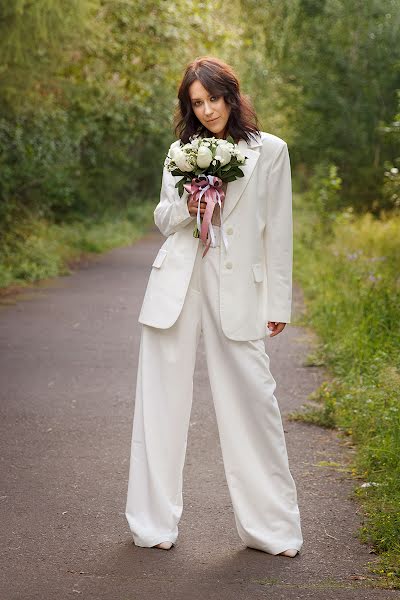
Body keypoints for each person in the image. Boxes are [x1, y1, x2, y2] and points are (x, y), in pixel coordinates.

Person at [125, 56, 303, 557]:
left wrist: (278, 302)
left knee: (253, 403)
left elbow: (279, 232)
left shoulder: (271, 152)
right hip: (177, 285)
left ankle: (270, 529)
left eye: (213, 99)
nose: (206, 111)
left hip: (240, 289)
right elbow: (163, 219)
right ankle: (152, 523)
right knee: (159, 405)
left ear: (231, 95)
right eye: (196, 103)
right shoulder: (179, 152)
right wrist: (192, 204)